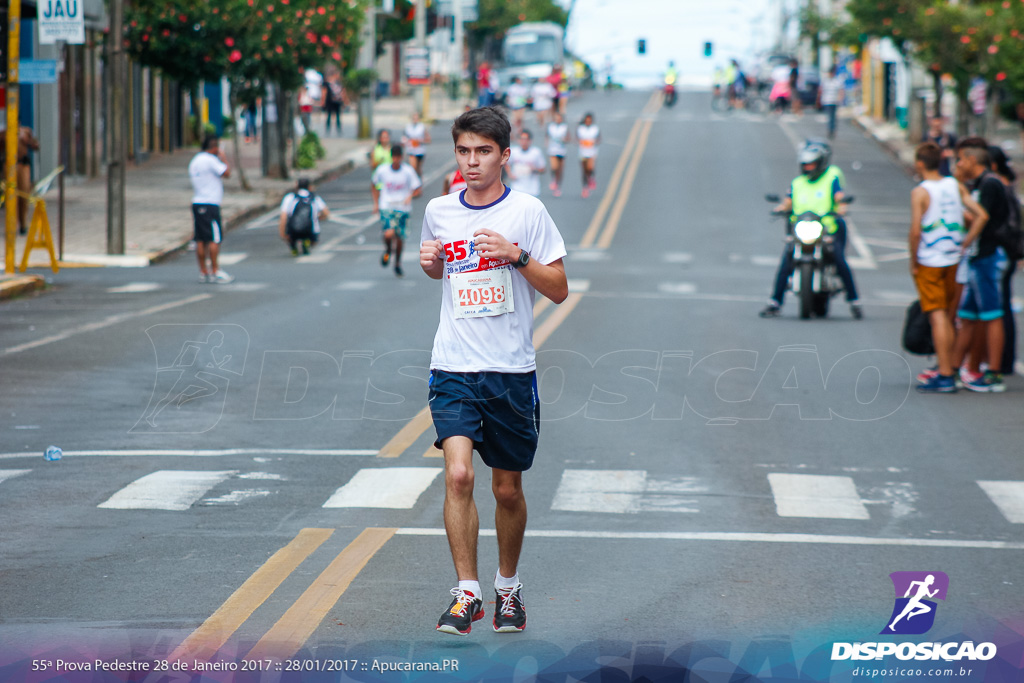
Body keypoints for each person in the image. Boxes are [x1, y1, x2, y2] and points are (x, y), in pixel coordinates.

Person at [418, 105, 568, 636]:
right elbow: (445, 273)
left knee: (506, 490)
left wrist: (515, 253)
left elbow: (558, 288)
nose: (472, 162)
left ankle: (508, 586)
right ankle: (467, 593)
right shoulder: (439, 210)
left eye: (483, 152)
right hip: (453, 365)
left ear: (505, 156)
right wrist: (432, 264)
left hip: (509, 371)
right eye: (464, 152)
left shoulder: (527, 212)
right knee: (458, 474)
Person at [910, 143, 987, 393]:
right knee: (949, 316)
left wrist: (913, 261)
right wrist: (966, 241)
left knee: (938, 316)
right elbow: (981, 216)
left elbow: (915, 232)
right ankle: (950, 369)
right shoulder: (954, 185)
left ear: (920, 163)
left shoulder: (921, 192)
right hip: (954, 259)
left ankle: (944, 374)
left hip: (930, 260)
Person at [760, 140, 861, 319]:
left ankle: (853, 300)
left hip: (826, 231)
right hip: (801, 231)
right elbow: (787, 201)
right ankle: (775, 302)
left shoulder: (831, 179)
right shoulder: (798, 183)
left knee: (839, 260)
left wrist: (841, 207)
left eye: (811, 164)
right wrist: (780, 209)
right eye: (805, 164)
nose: (808, 168)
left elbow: (839, 198)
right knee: (786, 262)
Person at [949, 138, 1009, 392]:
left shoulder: (990, 184)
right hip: (977, 257)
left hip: (987, 255)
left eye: (961, 159)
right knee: (968, 316)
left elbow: (979, 218)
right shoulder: (981, 184)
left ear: (972, 160)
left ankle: (993, 373)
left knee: (992, 314)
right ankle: (951, 369)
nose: (958, 164)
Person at [988, 146, 1021, 376]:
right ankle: (1003, 360)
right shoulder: (1006, 187)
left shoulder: (999, 189)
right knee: (1003, 305)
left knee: (998, 308)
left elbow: (1004, 225)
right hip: (1007, 253)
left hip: (1001, 253)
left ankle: (1002, 361)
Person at [371, 144, 422, 277]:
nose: (396, 160)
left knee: (399, 238)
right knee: (388, 234)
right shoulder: (382, 170)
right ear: (391, 157)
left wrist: (410, 196)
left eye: (398, 157)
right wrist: (376, 203)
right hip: (387, 205)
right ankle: (388, 250)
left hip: (402, 208)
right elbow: (374, 184)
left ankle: (397, 263)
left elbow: (418, 189)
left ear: (401, 157)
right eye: (394, 157)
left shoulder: (408, 171)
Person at [189, 136, 234, 283]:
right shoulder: (211, 160)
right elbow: (227, 173)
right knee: (215, 238)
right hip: (211, 204)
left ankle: (203, 271)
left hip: (197, 202)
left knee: (200, 239)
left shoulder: (195, 161)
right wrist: (223, 158)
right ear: (214, 147)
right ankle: (215, 270)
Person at [279, 178, 329, 256]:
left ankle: (293, 246)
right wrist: (318, 218)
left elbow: (283, 217)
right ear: (310, 187)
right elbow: (326, 213)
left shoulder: (290, 197)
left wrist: (282, 234)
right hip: (311, 230)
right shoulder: (314, 198)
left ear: (297, 187)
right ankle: (308, 242)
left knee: (290, 235)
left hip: (293, 230)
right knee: (314, 236)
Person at [14, 126, 39, 234]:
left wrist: (27, 141)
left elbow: (36, 146)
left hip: (23, 165)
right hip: (10, 166)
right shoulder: (5, 133)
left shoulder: (26, 131)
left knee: (24, 195)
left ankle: (23, 224)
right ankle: (12, 225)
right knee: (12, 197)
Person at [507, 129, 546, 197]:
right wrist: (510, 174)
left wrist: (535, 169)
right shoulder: (514, 151)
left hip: (532, 190)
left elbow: (543, 169)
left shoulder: (536, 152)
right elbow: (507, 163)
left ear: (530, 141)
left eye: (526, 139)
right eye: (521, 139)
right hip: (516, 188)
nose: (523, 142)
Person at [546, 110, 570, 197]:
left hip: (562, 150)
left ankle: (558, 187)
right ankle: (553, 179)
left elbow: (568, 138)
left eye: (559, 118)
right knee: (554, 167)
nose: (558, 120)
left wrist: (565, 140)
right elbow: (547, 136)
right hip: (552, 150)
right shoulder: (551, 127)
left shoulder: (564, 127)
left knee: (560, 170)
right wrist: (547, 144)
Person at [576, 112, 600, 198]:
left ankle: (591, 178)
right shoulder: (580, 129)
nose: (588, 122)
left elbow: (598, 139)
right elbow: (577, 139)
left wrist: (593, 142)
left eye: (589, 121)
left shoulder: (595, 129)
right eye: (587, 120)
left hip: (592, 152)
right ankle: (585, 188)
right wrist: (581, 142)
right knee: (584, 170)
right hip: (583, 152)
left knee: (590, 168)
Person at [818, 65, 844, 140]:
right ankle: (830, 129)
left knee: (833, 117)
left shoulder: (836, 81)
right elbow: (821, 90)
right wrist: (819, 100)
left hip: (834, 101)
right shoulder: (825, 81)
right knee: (830, 116)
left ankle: (832, 129)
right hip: (827, 101)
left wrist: (840, 99)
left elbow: (841, 91)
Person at [402, 111, 431, 176]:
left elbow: (428, 140)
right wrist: (405, 141)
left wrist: (420, 141)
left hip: (420, 151)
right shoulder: (408, 127)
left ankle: (419, 182)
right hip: (411, 151)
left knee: (418, 169)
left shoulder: (422, 127)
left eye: (416, 118)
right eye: (414, 118)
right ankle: (414, 183)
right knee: (413, 168)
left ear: (419, 119)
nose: (415, 120)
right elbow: (404, 138)